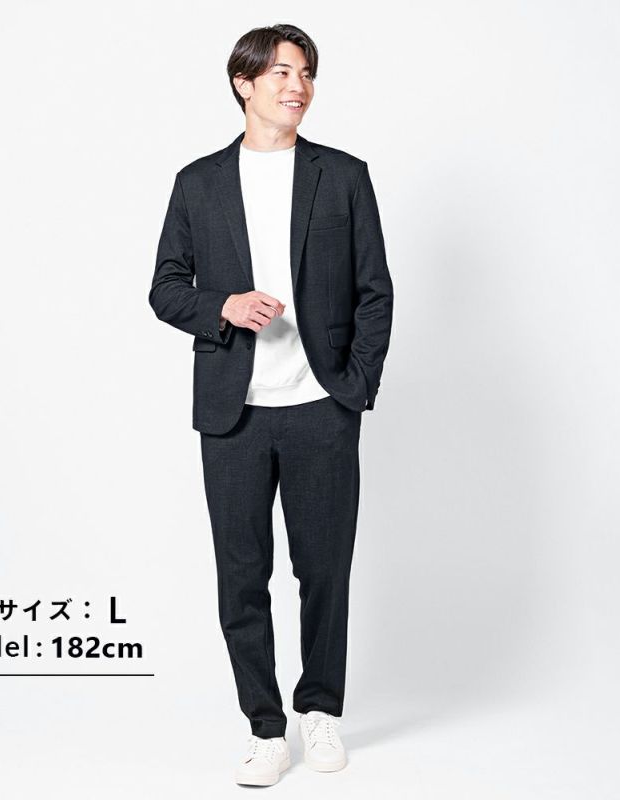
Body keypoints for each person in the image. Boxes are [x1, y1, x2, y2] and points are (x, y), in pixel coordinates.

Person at [149, 23, 394, 786]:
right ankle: (264, 727)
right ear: (244, 83)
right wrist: (222, 306)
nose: (299, 85)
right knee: (241, 576)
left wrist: (354, 385)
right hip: (235, 412)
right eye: (283, 72)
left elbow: (375, 291)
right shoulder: (199, 183)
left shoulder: (342, 176)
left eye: (308, 72)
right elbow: (165, 287)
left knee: (325, 571)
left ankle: (320, 711)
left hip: (322, 407)